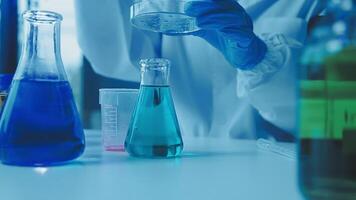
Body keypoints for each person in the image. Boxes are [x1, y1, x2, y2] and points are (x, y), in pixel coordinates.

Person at [74, 0, 324, 141]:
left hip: (276, 173)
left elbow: (331, 117)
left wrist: (259, 59)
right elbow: (115, 55)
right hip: (184, 163)